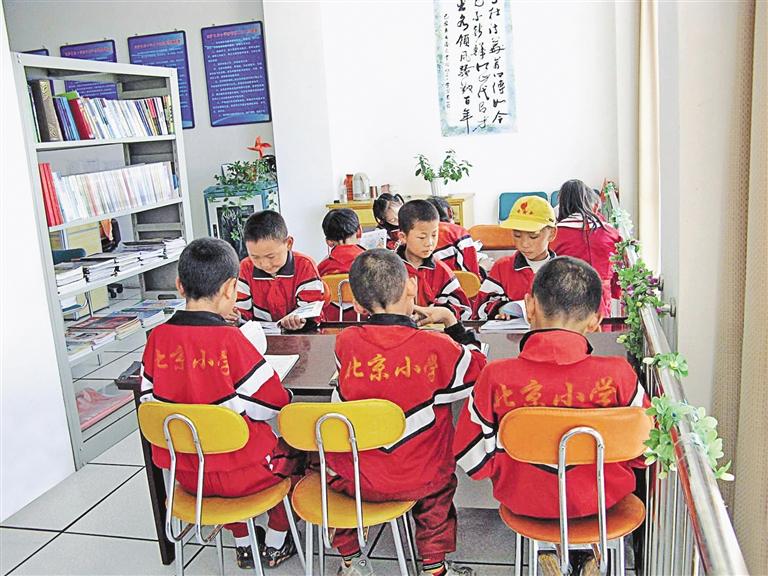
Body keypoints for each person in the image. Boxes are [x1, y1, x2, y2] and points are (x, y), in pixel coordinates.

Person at [453, 257, 649, 576]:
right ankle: (588, 556)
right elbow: (645, 452)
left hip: (526, 505)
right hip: (603, 505)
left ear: (530, 306)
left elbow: (472, 459)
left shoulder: (495, 377)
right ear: (596, 320)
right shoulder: (619, 375)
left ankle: (556, 555)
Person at [139, 238, 303, 570]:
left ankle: (243, 543)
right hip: (247, 474)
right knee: (301, 455)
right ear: (231, 288)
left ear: (179, 285)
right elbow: (273, 406)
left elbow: (148, 403)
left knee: (214, 447)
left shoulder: (156, 339)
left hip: (189, 475)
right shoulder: (231, 341)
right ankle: (275, 541)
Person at [328, 249, 487, 576]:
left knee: (329, 466)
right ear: (411, 287)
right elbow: (479, 370)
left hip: (360, 479)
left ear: (357, 304)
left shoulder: (346, 342)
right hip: (423, 478)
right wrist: (452, 323)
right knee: (439, 487)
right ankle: (434, 566)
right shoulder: (437, 346)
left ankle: (352, 560)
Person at [235, 210, 325, 331]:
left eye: (271, 256)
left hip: (301, 335)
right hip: (260, 336)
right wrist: (236, 316)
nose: (265, 264)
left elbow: (311, 311)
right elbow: (242, 311)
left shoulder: (305, 266)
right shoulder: (245, 268)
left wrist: (299, 320)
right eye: (255, 257)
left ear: (288, 244)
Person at [474, 196, 557, 320]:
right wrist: (501, 309)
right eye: (517, 235)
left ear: (552, 233)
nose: (524, 244)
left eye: (533, 236)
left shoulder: (563, 271)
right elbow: (481, 307)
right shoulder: (502, 267)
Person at [549, 179, 622, 317]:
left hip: (566, 301)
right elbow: (619, 269)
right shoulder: (611, 232)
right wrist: (616, 291)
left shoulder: (554, 234)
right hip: (602, 298)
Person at [396, 200, 472, 321]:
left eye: (434, 235)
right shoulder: (390, 269)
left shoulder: (441, 270)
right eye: (422, 237)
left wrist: (440, 312)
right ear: (403, 237)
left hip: (436, 330)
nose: (429, 243)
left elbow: (464, 309)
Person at [318, 208, 365, 320]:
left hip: (330, 325)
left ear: (329, 242)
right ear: (359, 231)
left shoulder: (320, 269)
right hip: (364, 324)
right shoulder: (371, 263)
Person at [424, 196, 481, 277]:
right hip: (457, 282)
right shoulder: (458, 232)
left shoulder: (416, 234)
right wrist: (483, 268)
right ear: (450, 212)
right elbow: (473, 276)